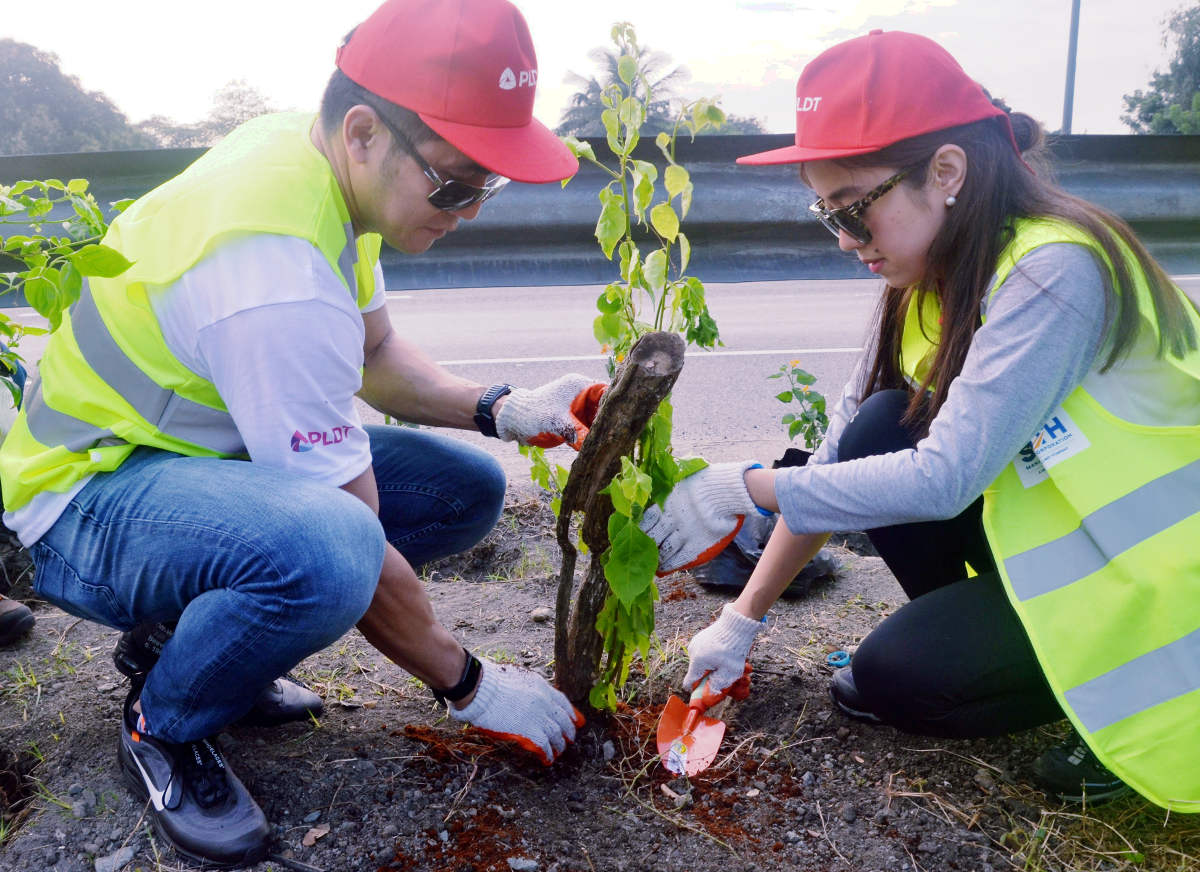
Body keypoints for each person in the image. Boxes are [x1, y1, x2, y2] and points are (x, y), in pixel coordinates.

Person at [0, 0, 603, 864]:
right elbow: (354, 536)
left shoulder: (320, 168)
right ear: (365, 131)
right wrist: (470, 684)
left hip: (186, 463)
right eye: (457, 183)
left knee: (459, 491)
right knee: (330, 555)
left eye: (489, 186)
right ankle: (164, 725)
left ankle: (187, 637)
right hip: (85, 501)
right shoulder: (271, 268)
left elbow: (376, 352)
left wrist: (499, 407)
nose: (469, 211)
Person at [642, 30, 1200, 813]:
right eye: (825, 213)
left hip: (1161, 588)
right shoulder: (938, 275)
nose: (844, 240)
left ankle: (1095, 691)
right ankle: (990, 645)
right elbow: (836, 460)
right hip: (1079, 551)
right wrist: (741, 622)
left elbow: (945, 479)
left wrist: (743, 488)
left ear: (946, 171)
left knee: (892, 680)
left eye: (855, 211)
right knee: (878, 425)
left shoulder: (1054, 270)